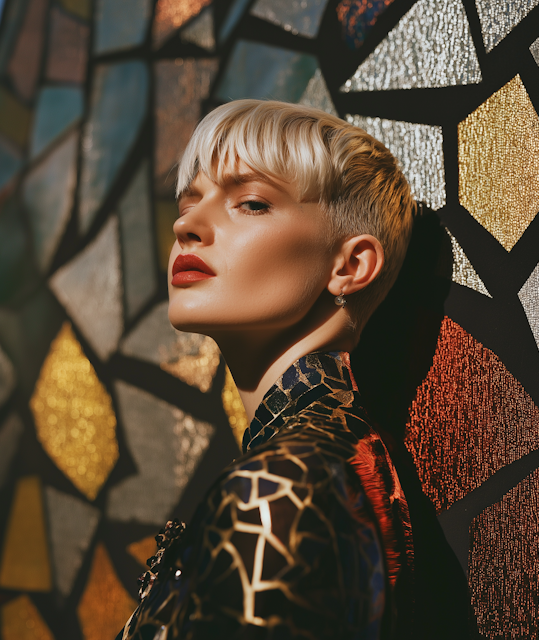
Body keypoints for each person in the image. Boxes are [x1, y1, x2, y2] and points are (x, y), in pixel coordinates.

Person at [117, 99, 416, 640]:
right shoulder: (323, 460)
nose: (187, 224)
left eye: (250, 203)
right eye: (190, 201)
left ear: (350, 266)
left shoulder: (278, 488)